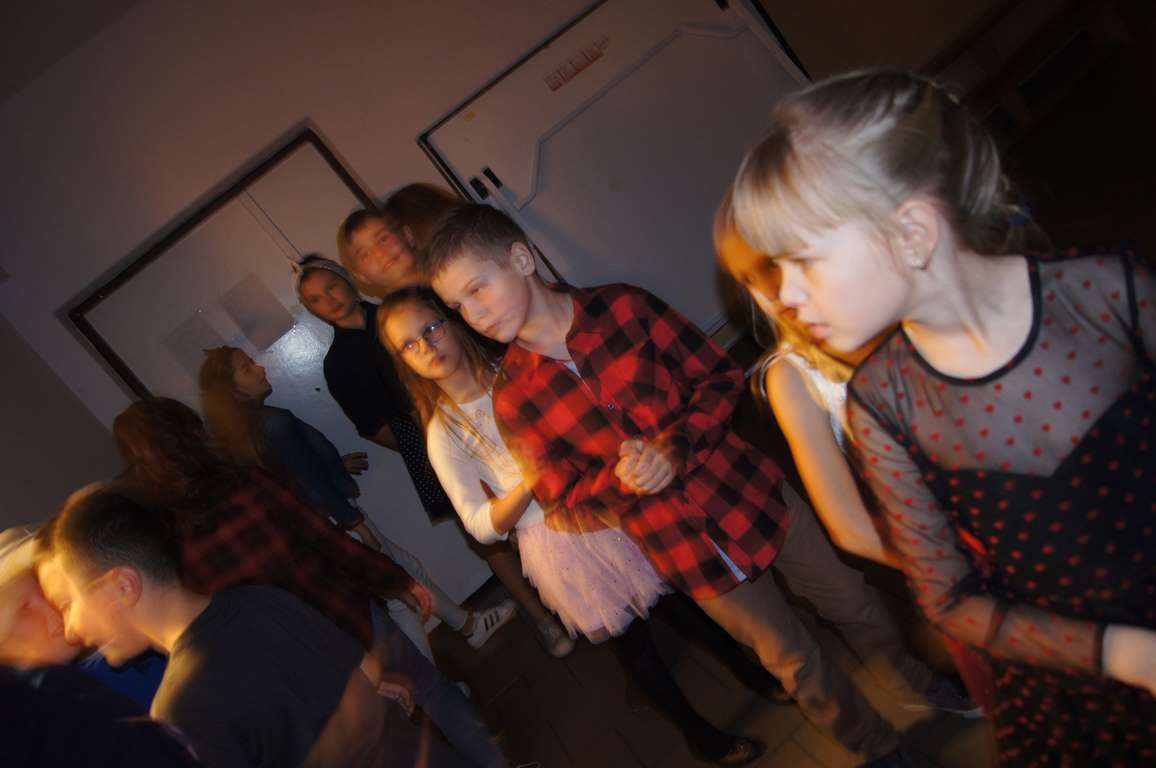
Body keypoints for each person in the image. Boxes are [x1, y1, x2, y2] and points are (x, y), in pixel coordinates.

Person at [422, 203, 963, 767]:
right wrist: (623, 480)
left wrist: (674, 448)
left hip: (751, 496)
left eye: (477, 289)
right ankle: (876, 747)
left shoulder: (624, 308)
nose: (473, 314)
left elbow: (718, 375)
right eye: (458, 307)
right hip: (683, 549)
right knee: (792, 660)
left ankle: (921, 679)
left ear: (520, 258)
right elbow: (560, 498)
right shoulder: (515, 399)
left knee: (853, 601)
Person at [729, 68, 1156, 765]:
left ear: (911, 233)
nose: (787, 294)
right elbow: (951, 599)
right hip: (1078, 681)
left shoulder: (1106, 291)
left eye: (801, 261)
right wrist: (1124, 653)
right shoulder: (884, 404)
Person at [378, 286, 783, 765]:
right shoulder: (443, 435)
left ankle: (757, 674)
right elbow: (480, 526)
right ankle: (703, 738)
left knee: (687, 607)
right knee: (635, 647)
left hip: (606, 506)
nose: (426, 346)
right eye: (409, 345)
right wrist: (531, 483)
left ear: (452, 322)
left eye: (431, 328)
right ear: (404, 362)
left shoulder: (517, 370)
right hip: (560, 543)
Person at [111, 398, 507, 768]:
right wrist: (393, 578)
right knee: (431, 690)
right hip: (342, 612)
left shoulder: (167, 540)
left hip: (292, 659)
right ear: (193, 431)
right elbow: (325, 538)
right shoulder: (246, 481)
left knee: (383, 740)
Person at [715, 188, 994, 714]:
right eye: (752, 280)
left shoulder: (898, 304)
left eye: (777, 264)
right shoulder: (793, 376)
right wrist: (950, 570)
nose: (774, 291)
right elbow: (847, 525)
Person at [39, 486, 470, 768]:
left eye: (67, 604)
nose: (71, 630)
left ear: (122, 586)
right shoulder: (259, 599)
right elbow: (371, 676)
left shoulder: (179, 713)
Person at [335, 199, 578, 660]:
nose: (380, 253)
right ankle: (545, 616)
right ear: (360, 272)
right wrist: (442, 437)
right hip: (456, 430)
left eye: (382, 237)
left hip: (507, 396)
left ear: (406, 233)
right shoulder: (387, 326)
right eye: (364, 253)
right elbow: (401, 404)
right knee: (496, 534)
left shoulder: (451, 277)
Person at [198, 345, 512, 660]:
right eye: (246, 367)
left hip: (325, 521)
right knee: (401, 596)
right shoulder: (272, 423)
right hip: (339, 518)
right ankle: (432, 679)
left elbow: (293, 474)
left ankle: (469, 627)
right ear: (233, 390)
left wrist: (334, 465)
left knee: (406, 575)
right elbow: (310, 484)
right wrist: (356, 524)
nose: (260, 367)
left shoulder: (247, 435)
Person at [0, 524, 168, 710]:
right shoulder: (49, 710)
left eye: (45, 590)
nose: (50, 607)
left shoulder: (137, 644)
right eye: (25, 608)